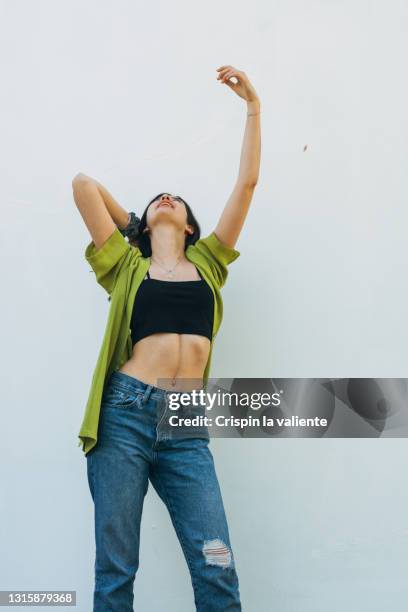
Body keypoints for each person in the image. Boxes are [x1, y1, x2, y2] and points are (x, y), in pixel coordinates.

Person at [72, 65, 261, 612]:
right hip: (125, 414)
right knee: (115, 572)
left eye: (176, 199)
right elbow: (84, 186)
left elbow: (246, 184)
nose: (168, 198)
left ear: (192, 227)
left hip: (186, 421)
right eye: (159, 199)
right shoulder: (125, 269)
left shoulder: (210, 263)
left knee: (216, 564)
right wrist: (134, 222)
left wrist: (253, 106)